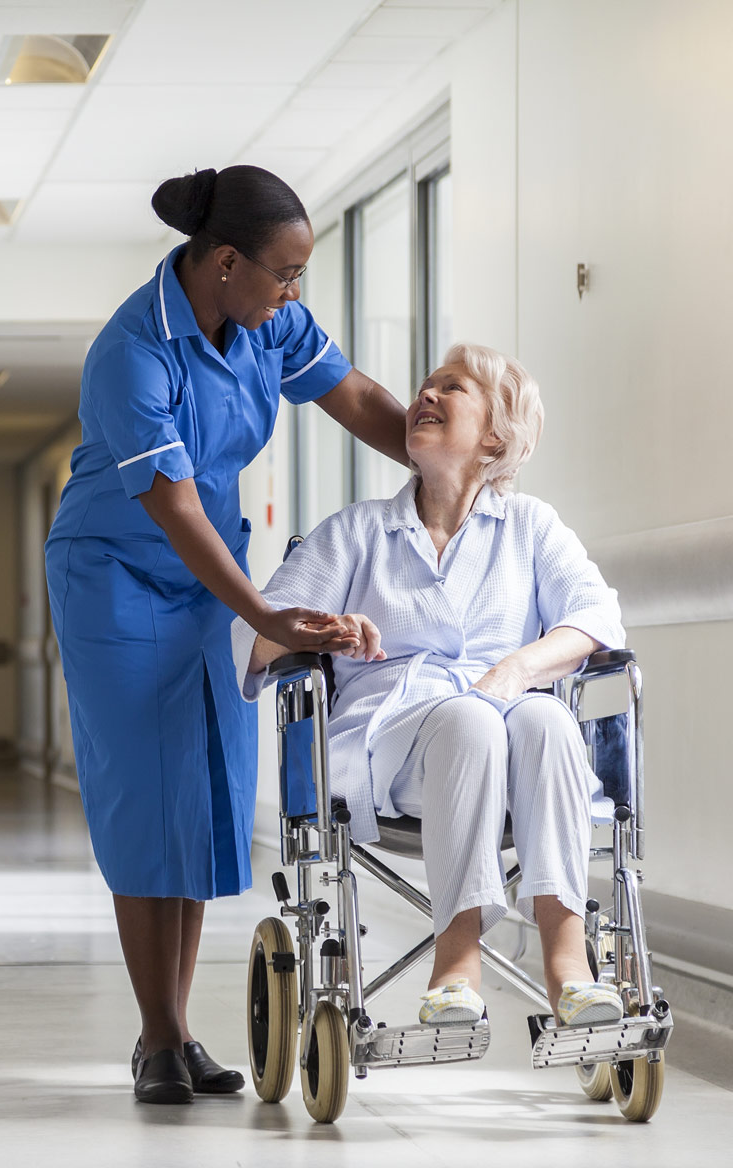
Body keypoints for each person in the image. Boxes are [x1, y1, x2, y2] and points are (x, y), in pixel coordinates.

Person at [45, 166, 415, 1104]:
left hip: (211, 575)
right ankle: (157, 1039)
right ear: (223, 263)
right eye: (286, 274)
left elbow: (355, 395)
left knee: (200, 790)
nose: (297, 293)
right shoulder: (132, 351)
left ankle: (177, 1034)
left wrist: (445, 451)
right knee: (143, 792)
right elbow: (170, 506)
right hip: (117, 577)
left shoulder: (265, 324)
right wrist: (262, 613)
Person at [235, 343, 628, 1030]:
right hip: (393, 750)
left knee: (545, 721)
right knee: (471, 722)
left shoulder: (531, 528)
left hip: (513, 742)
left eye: (453, 388)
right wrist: (319, 631)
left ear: (496, 436)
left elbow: (597, 620)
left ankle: (569, 961)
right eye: (425, 386)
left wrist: (514, 672)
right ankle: (456, 962)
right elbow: (256, 638)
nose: (425, 395)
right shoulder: (358, 533)